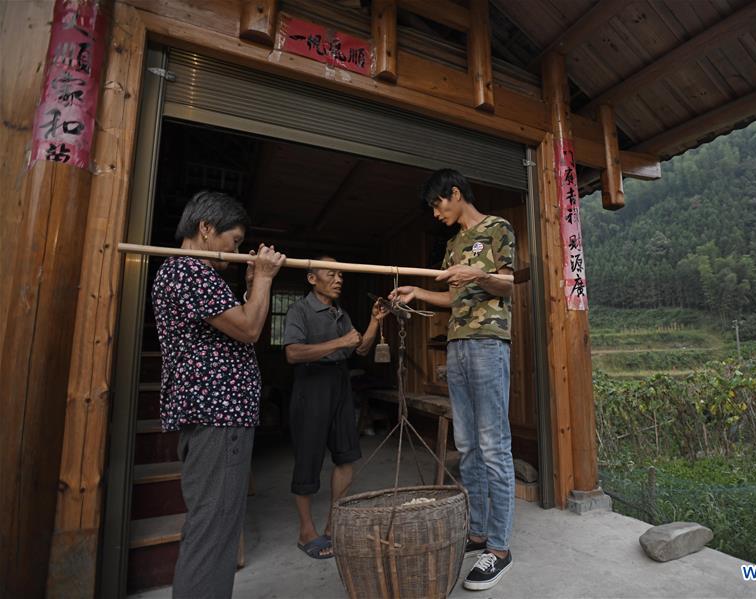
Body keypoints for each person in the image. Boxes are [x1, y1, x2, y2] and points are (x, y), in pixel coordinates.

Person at [151, 190, 285, 599]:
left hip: (214, 416)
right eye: (235, 241)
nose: (236, 251)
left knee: (214, 524)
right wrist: (263, 278)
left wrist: (253, 287)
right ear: (206, 229)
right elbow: (249, 329)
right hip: (216, 417)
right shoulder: (188, 272)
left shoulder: (189, 275)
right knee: (214, 526)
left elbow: (239, 325)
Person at [390, 169, 516, 591]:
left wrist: (476, 274)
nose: (435, 212)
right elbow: (451, 296)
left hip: (488, 343)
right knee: (467, 445)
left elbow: (509, 285)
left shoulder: (498, 228)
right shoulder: (452, 246)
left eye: (437, 203)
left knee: (494, 445)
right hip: (458, 346)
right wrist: (418, 293)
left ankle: (499, 549)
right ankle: (478, 533)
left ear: (455, 193)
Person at [283, 257, 387, 559]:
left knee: (346, 456)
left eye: (341, 274)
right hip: (311, 386)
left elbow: (361, 347)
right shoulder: (299, 310)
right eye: (332, 274)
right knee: (307, 459)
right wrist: (339, 341)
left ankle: (332, 525)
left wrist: (374, 320)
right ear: (313, 279)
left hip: (340, 384)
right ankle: (306, 531)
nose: (339, 278)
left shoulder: (340, 313)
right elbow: (292, 353)